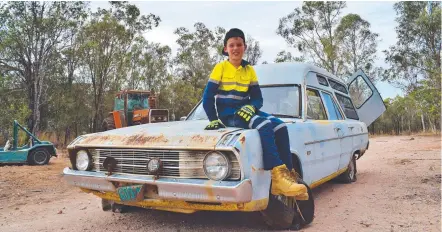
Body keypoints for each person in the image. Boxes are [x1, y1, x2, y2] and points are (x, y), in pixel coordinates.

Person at [202, 28, 307, 199]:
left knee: (280, 126)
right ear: (225, 49)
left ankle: (288, 175)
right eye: (231, 45)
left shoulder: (249, 70)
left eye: (239, 44)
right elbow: (207, 97)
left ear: (245, 47)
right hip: (230, 115)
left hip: (247, 111)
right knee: (264, 125)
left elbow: (258, 99)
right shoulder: (220, 68)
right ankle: (277, 179)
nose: (235, 48)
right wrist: (214, 119)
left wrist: (252, 107)